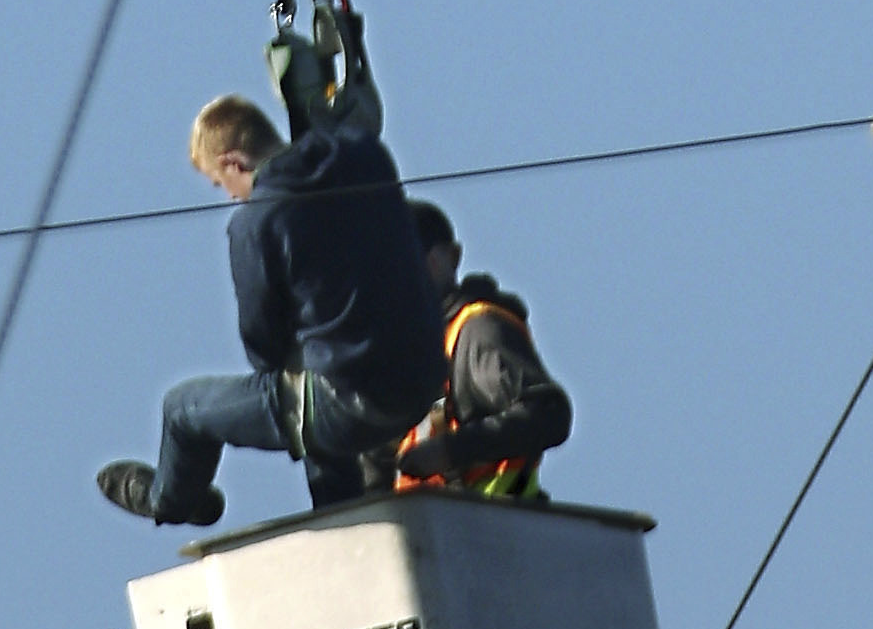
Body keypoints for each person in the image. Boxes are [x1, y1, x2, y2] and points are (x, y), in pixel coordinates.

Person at [96, 81, 445, 528]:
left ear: (233, 162)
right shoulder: (368, 157)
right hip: (422, 381)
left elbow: (261, 348)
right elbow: (344, 131)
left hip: (353, 406)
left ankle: (171, 501)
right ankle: (340, 522)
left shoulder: (257, 222)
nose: (231, 196)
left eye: (222, 184)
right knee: (312, 387)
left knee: (181, 409)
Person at [393, 200, 573, 499]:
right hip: (429, 532)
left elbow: (548, 413)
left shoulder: (477, 331)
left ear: (453, 257)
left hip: (496, 529)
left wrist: (451, 451)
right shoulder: (408, 350)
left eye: (415, 256)